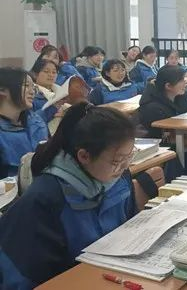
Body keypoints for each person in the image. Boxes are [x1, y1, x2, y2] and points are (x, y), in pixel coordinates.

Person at [0, 103, 137, 288]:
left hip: (111, 277)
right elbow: (24, 280)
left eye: (130, 156)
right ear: (84, 156)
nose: (125, 166)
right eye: (117, 161)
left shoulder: (119, 179)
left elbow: (132, 233)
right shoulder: (45, 199)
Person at [0, 67, 49, 178]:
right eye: (26, 86)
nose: (32, 92)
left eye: (34, 88)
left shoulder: (37, 122)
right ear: (2, 90)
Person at [139, 66, 187, 137]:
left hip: (182, 136)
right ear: (168, 86)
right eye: (181, 80)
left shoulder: (181, 96)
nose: (185, 82)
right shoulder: (152, 108)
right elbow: (162, 135)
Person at [30, 59, 68, 133]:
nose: (51, 75)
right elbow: (30, 121)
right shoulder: (31, 94)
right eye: (46, 71)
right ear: (35, 74)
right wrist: (53, 109)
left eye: (54, 72)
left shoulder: (62, 93)